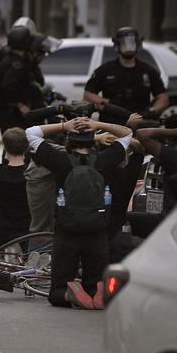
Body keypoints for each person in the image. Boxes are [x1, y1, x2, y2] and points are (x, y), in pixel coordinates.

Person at [26, 116, 132, 309]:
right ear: (93, 140)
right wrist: (100, 124)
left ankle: (68, 291)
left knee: (57, 290)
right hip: (98, 230)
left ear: (69, 140)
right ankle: (98, 290)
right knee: (95, 276)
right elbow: (127, 133)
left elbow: (31, 132)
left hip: (67, 229)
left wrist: (63, 125)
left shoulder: (60, 161)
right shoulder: (104, 160)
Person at [83, 27, 168, 124]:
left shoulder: (148, 71)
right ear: (116, 46)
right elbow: (88, 95)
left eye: (132, 43)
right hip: (111, 123)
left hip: (140, 122)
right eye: (125, 43)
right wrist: (107, 104)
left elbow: (163, 97)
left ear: (138, 45)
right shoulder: (105, 70)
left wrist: (151, 112)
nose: (129, 47)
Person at [0, 24, 49, 131]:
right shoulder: (17, 65)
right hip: (14, 117)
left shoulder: (8, 60)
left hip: (8, 115)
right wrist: (20, 106)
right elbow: (8, 86)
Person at [0, 128, 32, 250]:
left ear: (5, 147)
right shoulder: (33, 173)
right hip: (27, 230)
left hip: (1, 230)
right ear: (26, 147)